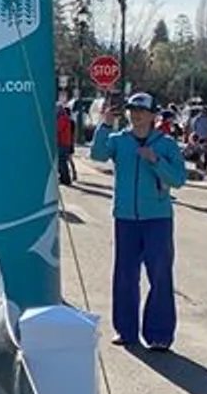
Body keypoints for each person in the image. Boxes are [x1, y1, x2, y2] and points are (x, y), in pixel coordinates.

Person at [90, 92, 187, 352]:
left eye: (142, 111)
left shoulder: (165, 144)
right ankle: (126, 330)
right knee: (125, 275)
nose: (137, 115)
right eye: (133, 110)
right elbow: (98, 154)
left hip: (157, 218)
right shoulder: (119, 140)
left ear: (154, 115)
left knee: (160, 275)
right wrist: (106, 124)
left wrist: (156, 161)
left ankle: (159, 334)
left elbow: (178, 178)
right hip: (125, 217)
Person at [55, 100, 77, 187]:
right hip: (64, 142)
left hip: (63, 143)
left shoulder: (62, 118)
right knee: (62, 161)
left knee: (62, 161)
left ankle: (66, 179)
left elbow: (57, 129)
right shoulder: (65, 118)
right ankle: (64, 178)